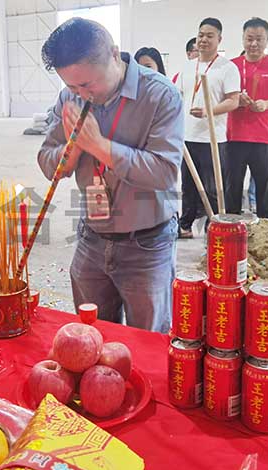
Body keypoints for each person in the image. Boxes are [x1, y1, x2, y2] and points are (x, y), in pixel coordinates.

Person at [37, 18, 183, 333]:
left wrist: (100, 147)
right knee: (91, 337)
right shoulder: (70, 99)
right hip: (91, 237)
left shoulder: (160, 95)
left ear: (114, 55)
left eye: (88, 85)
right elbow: (48, 163)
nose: (82, 94)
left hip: (147, 244)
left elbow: (165, 172)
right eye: (72, 87)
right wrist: (74, 148)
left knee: (147, 341)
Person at [176, 17, 240, 237]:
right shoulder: (187, 66)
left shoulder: (227, 68)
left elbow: (233, 101)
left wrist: (208, 111)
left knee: (214, 188)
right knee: (188, 186)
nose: (203, 39)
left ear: (219, 39)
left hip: (213, 138)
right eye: (200, 35)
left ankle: (213, 229)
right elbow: (178, 97)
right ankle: (185, 226)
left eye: (209, 36)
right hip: (187, 137)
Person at [226, 18, 268, 220]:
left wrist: (267, 104)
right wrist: (235, 100)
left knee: (265, 190)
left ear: (267, 39)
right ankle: (232, 230)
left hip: (263, 137)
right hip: (233, 136)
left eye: (259, 39)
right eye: (249, 39)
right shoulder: (231, 66)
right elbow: (220, 96)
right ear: (242, 38)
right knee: (232, 188)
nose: (254, 44)